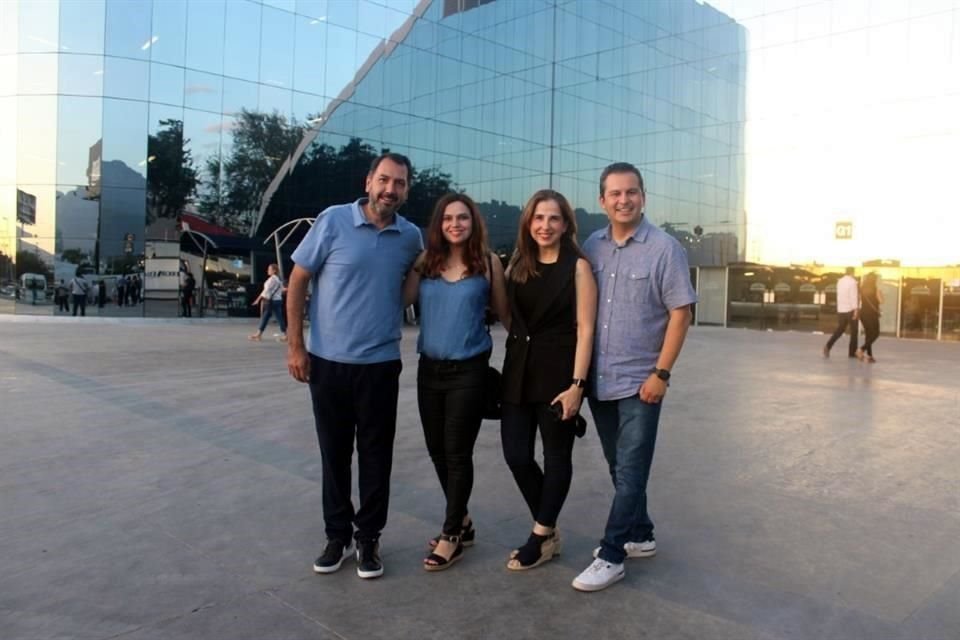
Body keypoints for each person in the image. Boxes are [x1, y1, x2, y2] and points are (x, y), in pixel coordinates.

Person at [286, 153, 423, 579]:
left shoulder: (411, 237)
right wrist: (296, 346)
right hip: (328, 363)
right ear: (368, 181)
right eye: (384, 180)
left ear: (405, 190)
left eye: (399, 183)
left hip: (380, 365)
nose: (390, 189)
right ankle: (337, 536)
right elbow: (298, 280)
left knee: (376, 457)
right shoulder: (332, 221)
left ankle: (368, 539)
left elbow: (410, 286)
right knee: (334, 454)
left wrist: (385, 311)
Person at [572, 162, 697, 592]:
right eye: (615, 193)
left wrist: (661, 373)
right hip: (600, 379)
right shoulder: (592, 246)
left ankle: (612, 555)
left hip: (641, 382)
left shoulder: (664, 249)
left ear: (643, 196)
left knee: (630, 470)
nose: (624, 200)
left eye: (632, 192)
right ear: (602, 199)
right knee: (618, 465)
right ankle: (640, 534)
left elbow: (681, 312)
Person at [401, 193, 509, 571]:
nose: (455, 224)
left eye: (462, 217)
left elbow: (507, 315)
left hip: (470, 370)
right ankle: (462, 519)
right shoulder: (425, 262)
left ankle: (451, 536)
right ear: (439, 224)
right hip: (429, 369)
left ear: (473, 222)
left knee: (457, 452)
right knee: (436, 450)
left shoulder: (488, 264)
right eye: (448, 218)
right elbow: (400, 300)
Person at [500, 189, 597, 571]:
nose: (545, 225)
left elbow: (586, 330)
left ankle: (541, 535)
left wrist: (578, 386)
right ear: (529, 222)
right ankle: (549, 526)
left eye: (553, 218)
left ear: (565, 224)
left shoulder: (578, 266)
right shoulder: (519, 263)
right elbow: (509, 317)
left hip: (559, 374)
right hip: (518, 370)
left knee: (556, 457)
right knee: (516, 455)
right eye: (539, 218)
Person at [823, 267, 859, 358]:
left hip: (841, 309)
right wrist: (856, 310)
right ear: (852, 272)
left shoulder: (840, 281)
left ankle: (828, 345)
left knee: (840, 330)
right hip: (850, 309)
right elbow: (853, 297)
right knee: (854, 331)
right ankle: (852, 353)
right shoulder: (853, 282)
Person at [248, 264, 285, 340]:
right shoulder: (278, 279)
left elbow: (265, 291)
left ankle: (259, 334)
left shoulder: (272, 280)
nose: (268, 271)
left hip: (272, 301)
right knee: (278, 317)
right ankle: (285, 334)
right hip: (277, 300)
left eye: (269, 269)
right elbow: (282, 290)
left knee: (267, 317)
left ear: (274, 270)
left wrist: (258, 300)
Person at [856, 272, 883, 363]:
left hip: (863, 314)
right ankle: (861, 349)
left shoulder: (862, 288)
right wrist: (880, 291)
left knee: (868, 334)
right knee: (875, 333)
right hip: (872, 315)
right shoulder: (875, 289)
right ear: (874, 280)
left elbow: (859, 300)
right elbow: (881, 300)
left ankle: (870, 356)